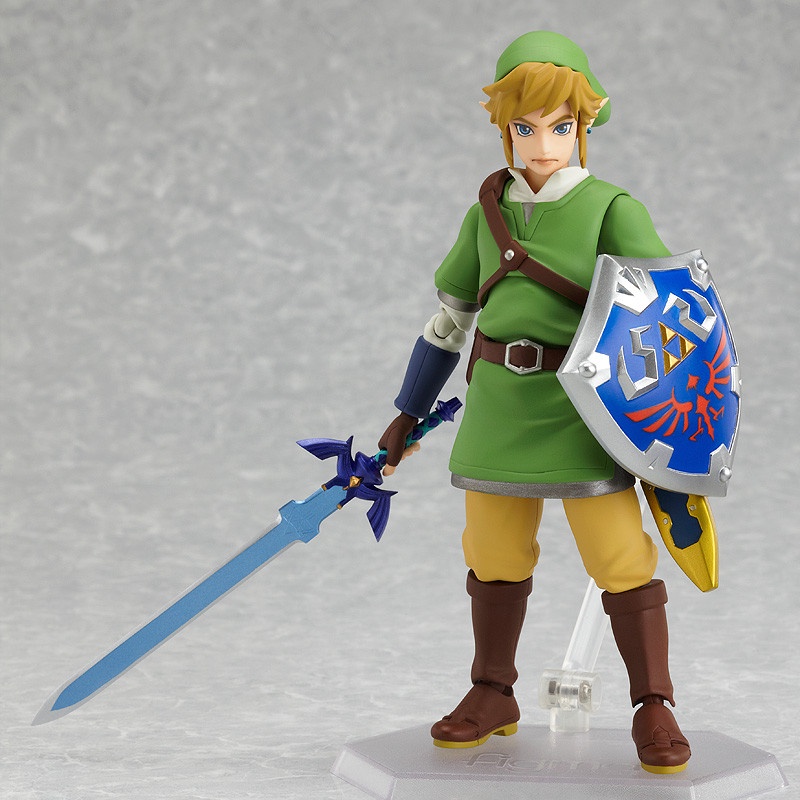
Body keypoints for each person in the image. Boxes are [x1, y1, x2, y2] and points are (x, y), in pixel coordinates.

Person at [378, 31, 692, 774]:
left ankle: (653, 704)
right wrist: (409, 410)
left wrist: (666, 424)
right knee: (491, 553)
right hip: (498, 408)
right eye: (525, 128)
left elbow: (669, 318)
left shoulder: (611, 209)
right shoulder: (485, 213)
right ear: (504, 130)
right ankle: (493, 691)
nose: (543, 146)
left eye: (560, 127)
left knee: (619, 557)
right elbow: (449, 320)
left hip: (583, 412)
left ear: (585, 125)